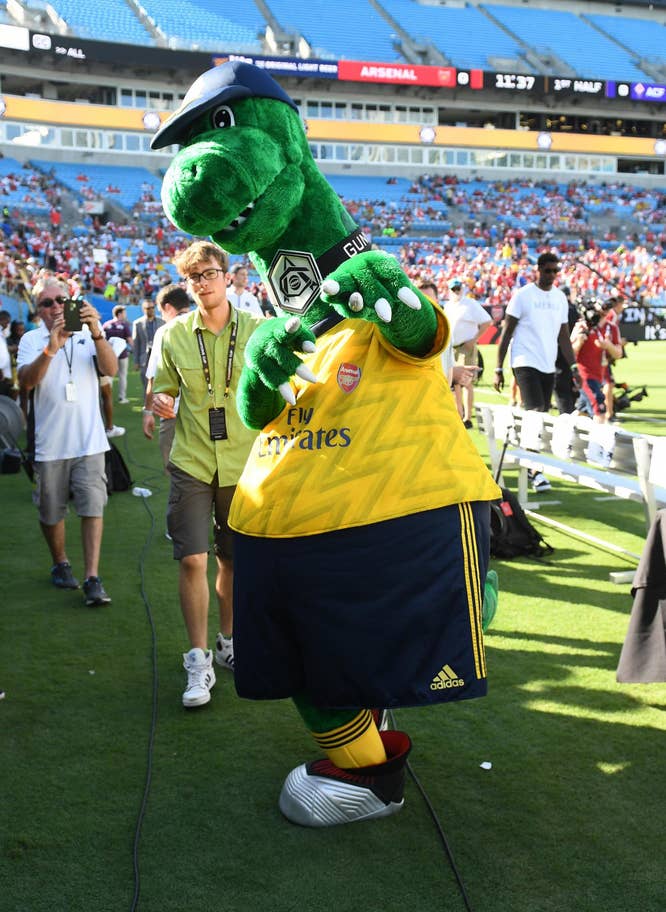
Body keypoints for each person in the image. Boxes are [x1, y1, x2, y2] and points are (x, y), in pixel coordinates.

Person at [151, 241, 261, 708]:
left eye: (209, 273)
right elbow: (162, 391)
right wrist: (160, 403)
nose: (202, 283)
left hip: (244, 462)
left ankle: (228, 641)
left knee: (232, 562)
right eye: (193, 277)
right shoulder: (172, 334)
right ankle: (198, 660)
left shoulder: (256, 328)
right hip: (192, 461)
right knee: (193, 559)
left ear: (227, 276)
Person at [17, 277, 118, 605]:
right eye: (47, 303)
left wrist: (97, 332)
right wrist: (52, 347)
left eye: (61, 300)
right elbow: (26, 382)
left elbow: (111, 370)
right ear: (38, 311)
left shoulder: (89, 335)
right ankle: (60, 562)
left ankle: (92, 577)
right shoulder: (32, 340)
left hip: (90, 442)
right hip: (49, 445)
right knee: (50, 513)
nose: (56, 307)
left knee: (92, 508)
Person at [494, 252, 579, 492]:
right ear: (538, 270)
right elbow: (506, 333)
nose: (552, 275)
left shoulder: (560, 298)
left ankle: (526, 454)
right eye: (548, 270)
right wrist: (498, 368)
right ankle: (535, 470)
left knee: (541, 412)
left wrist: (574, 367)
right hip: (524, 360)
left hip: (547, 363)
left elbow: (564, 336)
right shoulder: (523, 296)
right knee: (535, 411)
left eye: (555, 271)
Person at [142, 283, 191, 469]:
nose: (161, 316)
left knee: (176, 472)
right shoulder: (206, 325)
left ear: (168, 307)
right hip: (209, 411)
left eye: (161, 311)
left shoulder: (165, 331)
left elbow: (153, 377)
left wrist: (148, 412)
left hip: (174, 412)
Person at [444, 278, 490, 428]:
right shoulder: (448, 306)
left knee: (466, 382)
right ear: (449, 291)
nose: (456, 291)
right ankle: (459, 414)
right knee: (454, 383)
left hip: (465, 346)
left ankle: (468, 418)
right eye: (454, 289)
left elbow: (487, 322)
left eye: (458, 288)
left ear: (462, 289)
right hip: (452, 348)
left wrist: (474, 340)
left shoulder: (470, 304)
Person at [571, 298, 624, 423]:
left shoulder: (612, 328)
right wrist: (579, 341)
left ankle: (564, 427)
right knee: (599, 408)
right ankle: (599, 435)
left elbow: (618, 354)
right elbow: (570, 352)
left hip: (599, 375)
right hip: (584, 375)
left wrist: (608, 345)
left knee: (582, 411)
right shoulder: (582, 325)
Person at [103, 304, 132, 403]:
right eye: (124, 313)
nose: (125, 315)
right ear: (119, 314)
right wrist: (135, 350)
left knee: (109, 376)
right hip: (122, 355)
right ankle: (122, 397)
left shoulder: (106, 324)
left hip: (109, 354)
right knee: (122, 375)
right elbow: (129, 340)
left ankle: (107, 397)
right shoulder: (124, 325)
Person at [132, 298, 163, 391]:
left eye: (153, 307)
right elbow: (136, 344)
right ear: (143, 309)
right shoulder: (137, 323)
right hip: (144, 358)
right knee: (147, 385)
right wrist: (136, 362)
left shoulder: (162, 321)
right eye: (148, 308)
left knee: (161, 384)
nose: (151, 310)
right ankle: (147, 400)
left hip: (160, 357)